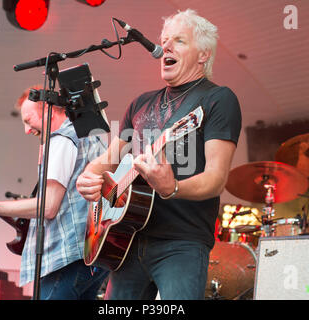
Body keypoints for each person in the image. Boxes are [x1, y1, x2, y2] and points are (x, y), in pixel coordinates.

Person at [76, 9, 242, 300]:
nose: (165, 46)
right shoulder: (140, 103)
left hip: (182, 243)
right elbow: (107, 162)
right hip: (127, 239)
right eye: (164, 40)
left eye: (178, 40)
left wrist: (173, 187)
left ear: (203, 55)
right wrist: (88, 178)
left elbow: (216, 178)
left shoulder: (217, 99)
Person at [0, 86, 108, 299]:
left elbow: (48, 206)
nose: (26, 129)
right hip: (93, 253)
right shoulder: (88, 136)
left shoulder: (61, 139)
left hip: (66, 258)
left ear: (50, 110)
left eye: (28, 119)